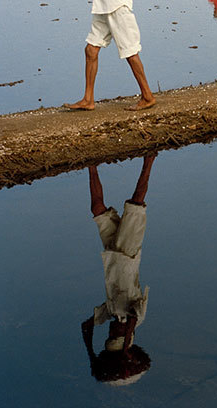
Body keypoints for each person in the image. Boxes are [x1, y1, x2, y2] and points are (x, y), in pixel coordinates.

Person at [80, 155, 155, 386]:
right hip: (128, 252)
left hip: (112, 254)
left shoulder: (111, 312)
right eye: (115, 334)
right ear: (126, 337)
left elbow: (86, 325)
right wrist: (125, 351)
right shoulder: (136, 318)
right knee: (136, 203)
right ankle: (149, 160)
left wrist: (92, 353)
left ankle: (91, 165)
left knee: (97, 209)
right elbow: (131, 321)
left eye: (110, 334)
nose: (112, 329)